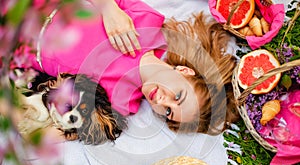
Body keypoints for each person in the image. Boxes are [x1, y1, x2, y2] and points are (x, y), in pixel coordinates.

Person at [31, 0, 240, 135]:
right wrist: (110, 10)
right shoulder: (149, 24)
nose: (160, 101)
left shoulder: (122, 104)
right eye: (177, 96)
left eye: (168, 111)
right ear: (184, 71)